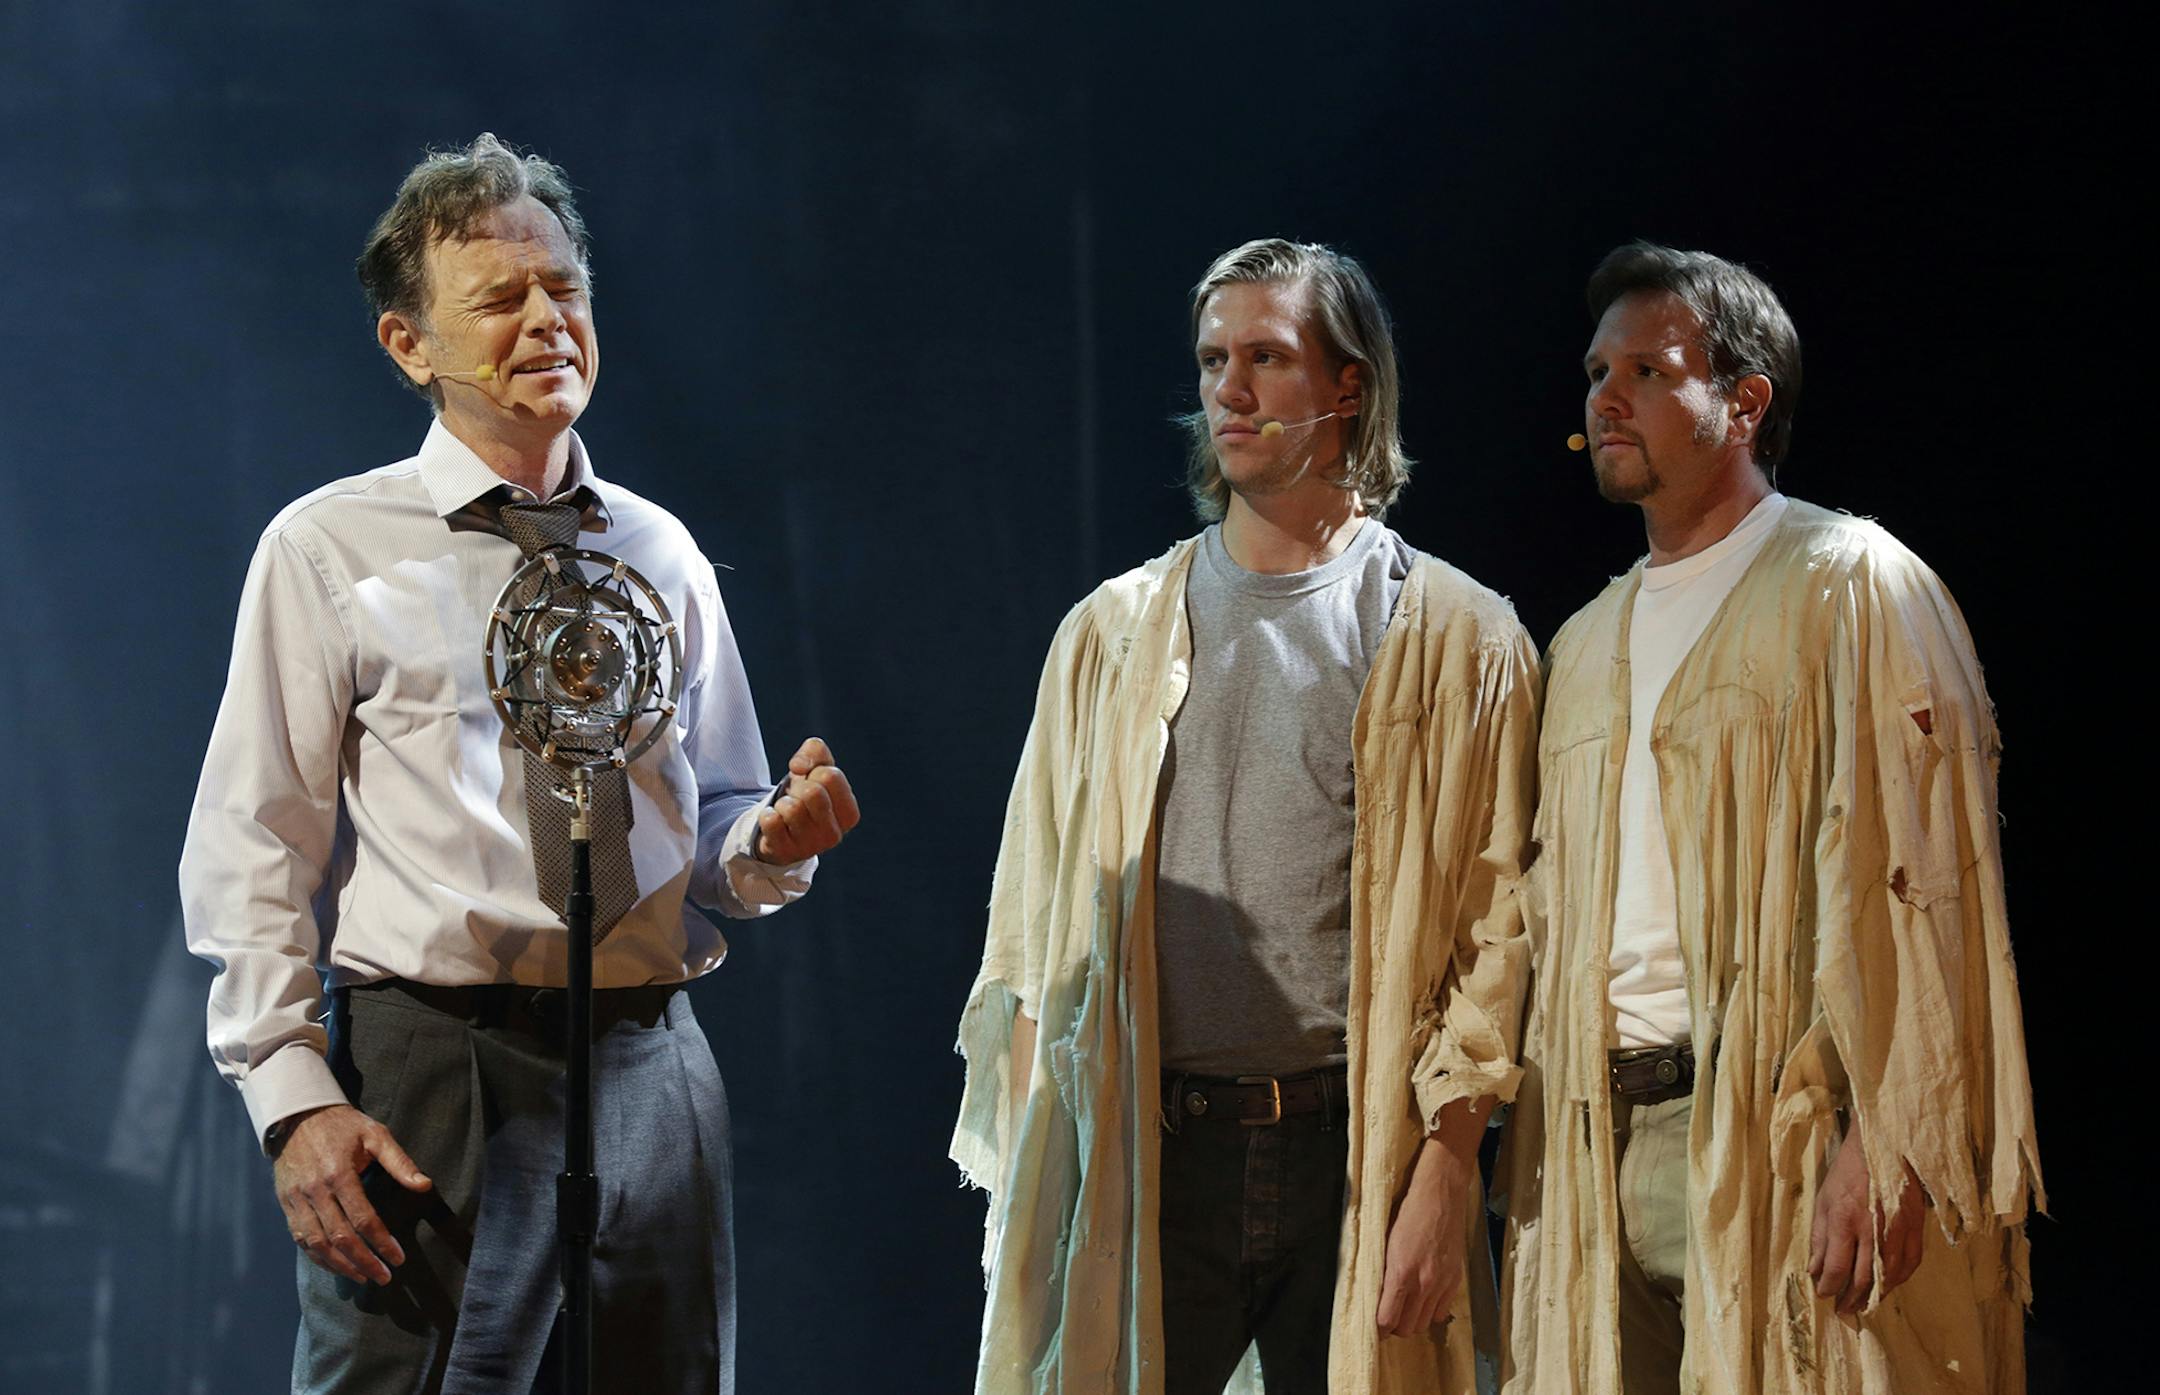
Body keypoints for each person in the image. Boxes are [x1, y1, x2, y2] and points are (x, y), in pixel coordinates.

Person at [177, 134, 859, 1394]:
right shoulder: (332, 547)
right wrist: (292, 1098)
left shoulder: (661, 551)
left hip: (654, 1063)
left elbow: (714, 821)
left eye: (566, 290)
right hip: (439, 1065)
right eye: (499, 299)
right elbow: (254, 845)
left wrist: (769, 839)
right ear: (409, 346)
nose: (548, 321)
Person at [951, 238, 1539, 1395]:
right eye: (1215, 357)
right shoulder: (1110, 637)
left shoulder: (1457, 639)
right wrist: (1038, 1181)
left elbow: (1496, 936)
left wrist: (1445, 1172)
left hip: (1352, 1154)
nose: (1229, 386)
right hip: (1157, 1155)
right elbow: (1034, 930)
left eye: (1267, 356)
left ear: (1347, 387)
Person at [1497, 242, 2041, 1394]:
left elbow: (1927, 882)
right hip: (1598, 1133)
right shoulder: (1582, 645)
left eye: (1648, 368)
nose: (1605, 395)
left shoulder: (1852, 584)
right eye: (1597, 370)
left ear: (1744, 401)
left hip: (1780, 1135)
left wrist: (1885, 1135)